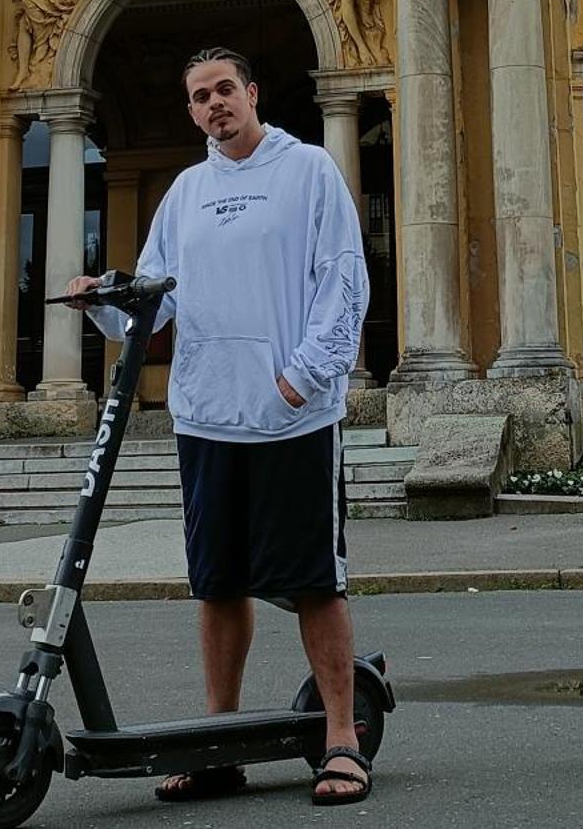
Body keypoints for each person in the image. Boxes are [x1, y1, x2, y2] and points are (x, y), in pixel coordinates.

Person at [67, 47, 373, 806]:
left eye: (224, 90)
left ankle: (342, 739)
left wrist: (303, 375)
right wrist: (101, 299)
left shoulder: (307, 172)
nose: (214, 105)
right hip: (208, 416)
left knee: (314, 583)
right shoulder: (186, 192)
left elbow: (345, 277)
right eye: (200, 96)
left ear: (252, 93)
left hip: (291, 417)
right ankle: (218, 741)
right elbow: (156, 300)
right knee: (217, 586)